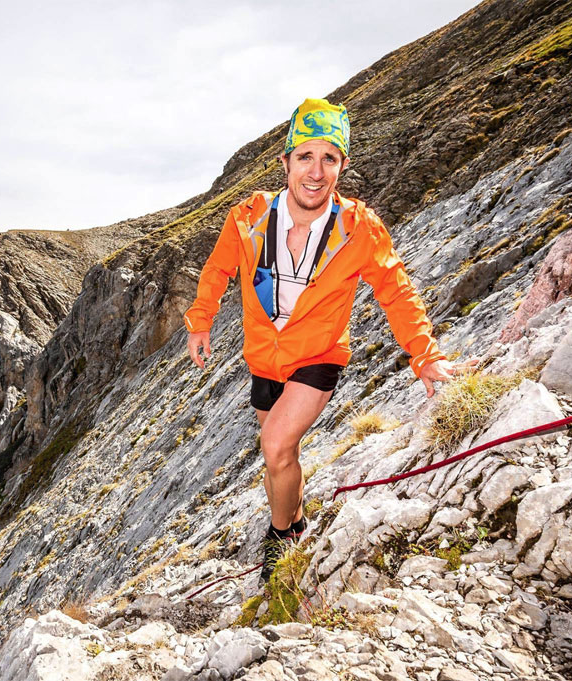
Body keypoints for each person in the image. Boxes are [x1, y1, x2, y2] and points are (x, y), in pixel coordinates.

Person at [183, 98, 476, 583]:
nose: (316, 172)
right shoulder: (247, 217)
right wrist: (200, 321)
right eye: (305, 157)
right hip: (264, 359)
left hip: (318, 358)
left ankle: (279, 545)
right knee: (281, 459)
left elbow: (395, 290)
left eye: (329, 159)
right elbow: (217, 270)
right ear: (285, 163)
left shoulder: (358, 227)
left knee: (275, 445)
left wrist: (424, 355)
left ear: (342, 165)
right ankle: (296, 522)